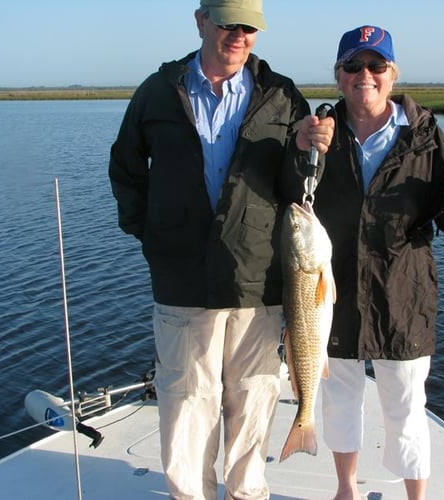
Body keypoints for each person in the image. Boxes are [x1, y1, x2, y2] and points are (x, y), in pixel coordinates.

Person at [108, 1, 334, 498]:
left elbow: (296, 190)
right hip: (182, 281)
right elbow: (125, 168)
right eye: (228, 23)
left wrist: (307, 150)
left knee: (253, 403)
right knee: (187, 405)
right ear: (200, 20)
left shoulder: (281, 96)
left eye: (249, 27)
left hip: (259, 281)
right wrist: (151, 235)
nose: (239, 35)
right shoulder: (157, 92)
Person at [296, 26, 444, 500]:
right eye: (353, 66)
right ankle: (345, 489)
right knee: (340, 397)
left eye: (376, 66)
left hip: (403, 292)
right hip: (332, 288)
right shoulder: (319, 131)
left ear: (392, 74)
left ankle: (415, 496)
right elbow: (291, 196)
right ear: (339, 75)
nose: (365, 75)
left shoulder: (424, 135)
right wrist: (302, 148)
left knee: (406, 406)